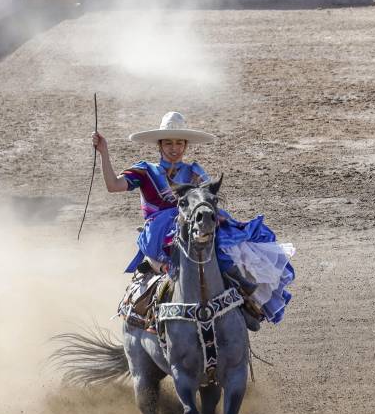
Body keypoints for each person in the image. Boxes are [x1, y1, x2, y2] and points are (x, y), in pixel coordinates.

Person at [93, 111, 294, 330]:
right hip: (160, 230)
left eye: (179, 143)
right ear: (159, 144)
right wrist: (104, 152)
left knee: (225, 239)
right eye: (168, 142)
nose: (174, 148)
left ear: (186, 145)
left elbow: (205, 199)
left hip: (191, 222)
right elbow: (113, 185)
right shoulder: (145, 171)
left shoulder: (194, 171)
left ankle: (242, 296)